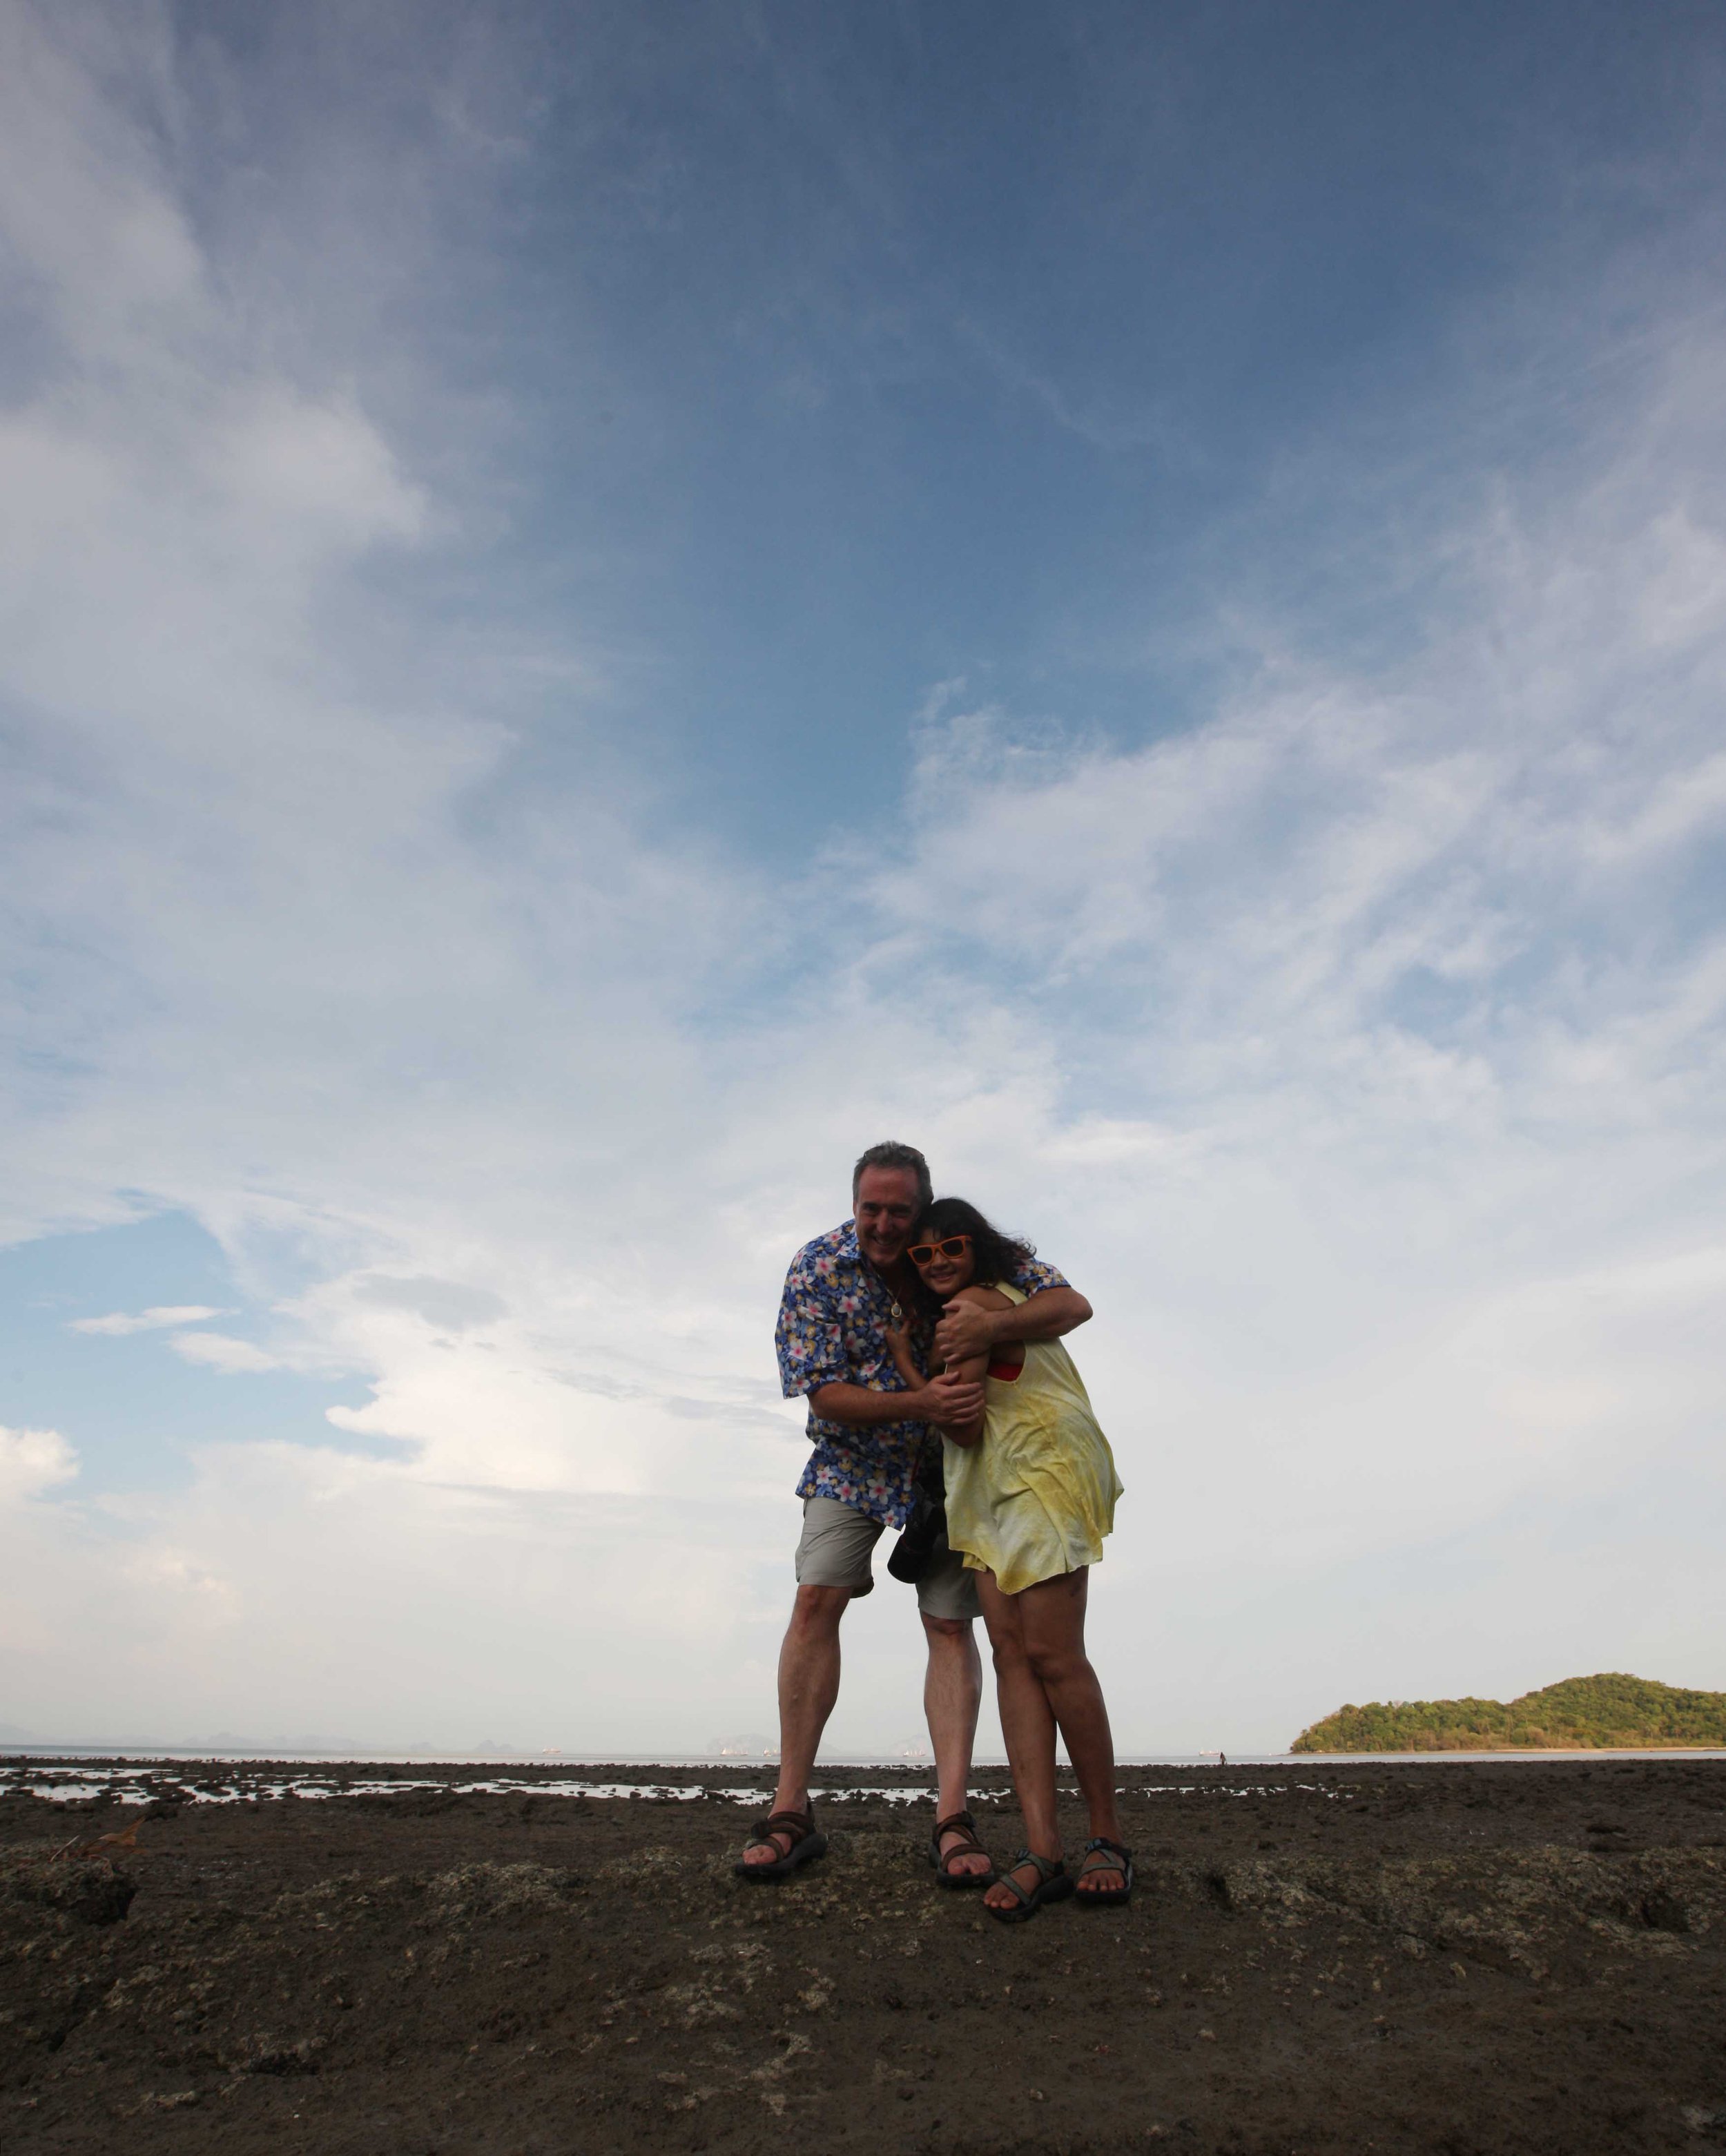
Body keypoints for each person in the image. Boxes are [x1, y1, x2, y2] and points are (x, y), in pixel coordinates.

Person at [737, 1142, 1093, 1885]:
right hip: (852, 1457)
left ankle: (951, 1816)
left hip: (955, 1465)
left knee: (947, 1623)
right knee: (814, 1601)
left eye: (900, 1208)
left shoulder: (958, 1251)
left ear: (922, 1206)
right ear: (854, 1203)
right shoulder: (818, 1266)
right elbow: (823, 1391)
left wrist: (991, 1328)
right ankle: (790, 1807)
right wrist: (918, 1396)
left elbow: (1067, 1302)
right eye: (872, 1207)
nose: (886, 1223)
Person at [894, 1195, 1128, 1922]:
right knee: (1010, 1654)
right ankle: (1042, 1848)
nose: (938, 1264)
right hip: (995, 1483)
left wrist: (905, 1357)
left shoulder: (973, 1304)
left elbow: (957, 1419)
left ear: (979, 1248)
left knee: (1052, 1654)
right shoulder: (1001, 1300)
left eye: (952, 1247)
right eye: (923, 1255)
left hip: (1037, 1471)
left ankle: (1103, 1840)